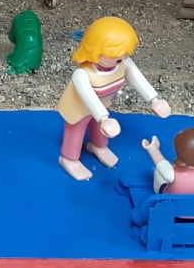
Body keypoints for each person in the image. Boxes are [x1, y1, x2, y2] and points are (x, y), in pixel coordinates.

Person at [54, 16, 172, 181]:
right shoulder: (82, 74)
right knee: (76, 131)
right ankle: (69, 158)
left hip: (103, 105)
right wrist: (103, 117)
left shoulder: (123, 63)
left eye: (125, 54)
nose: (122, 59)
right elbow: (88, 96)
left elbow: (138, 79)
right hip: (79, 109)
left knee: (100, 129)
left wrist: (154, 99)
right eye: (116, 56)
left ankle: (98, 146)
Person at [142, 128, 194, 197]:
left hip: (173, 203)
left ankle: (157, 189)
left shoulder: (172, 174)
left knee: (158, 171)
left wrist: (152, 148)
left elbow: (161, 163)